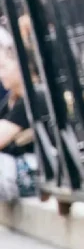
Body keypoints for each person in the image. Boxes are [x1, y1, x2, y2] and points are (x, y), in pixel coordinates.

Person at [0, 26, 35, 202]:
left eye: (3, 67)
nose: (0, 74)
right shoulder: (10, 101)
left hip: (31, 171)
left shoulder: (33, 98)